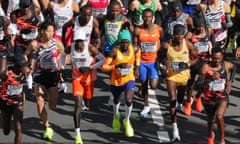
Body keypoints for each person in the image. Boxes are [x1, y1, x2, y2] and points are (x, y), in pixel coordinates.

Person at [31, 20, 64, 140]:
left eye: (52, 31)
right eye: (49, 31)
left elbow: (63, 55)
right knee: (40, 104)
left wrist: (61, 68)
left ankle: (46, 116)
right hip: (39, 76)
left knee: (52, 106)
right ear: (42, 31)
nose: (51, 33)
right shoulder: (35, 44)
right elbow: (26, 54)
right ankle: (47, 127)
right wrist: (29, 64)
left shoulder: (57, 44)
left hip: (52, 76)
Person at [71, 29, 105, 144]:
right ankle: (78, 135)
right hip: (77, 79)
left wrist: (91, 68)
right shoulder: (71, 47)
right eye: (77, 41)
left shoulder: (90, 48)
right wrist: (60, 67)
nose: (79, 44)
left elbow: (103, 60)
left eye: (81, 41)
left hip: (88, 80)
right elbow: (62, 55)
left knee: (88, 102)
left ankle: (87, 102)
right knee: (77, 106)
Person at [102, 29, 137, 137]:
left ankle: (127, 121)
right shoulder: (114, 51)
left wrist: (137, 67)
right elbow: (104, 67)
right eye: (123, 42)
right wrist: (115, 66)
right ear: (119, 42)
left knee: (129, 100)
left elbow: (138, 52)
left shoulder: (132, 49)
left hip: (129, 78)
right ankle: (115, 117)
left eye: (127, 42)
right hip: (116, 81)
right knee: (116, 100)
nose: (125, 44)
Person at [165, 24, 197, 142]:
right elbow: (160, 56)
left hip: (184, 76)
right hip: (171, 76)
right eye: (177, 34)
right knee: (172, 99)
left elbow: (197, 57)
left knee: (179, 98)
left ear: (183, 35)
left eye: (181, 34)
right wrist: (163, 66)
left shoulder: (187, 44)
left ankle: (180, 103)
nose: (179, 37)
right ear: (173, 34)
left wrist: (189, 64)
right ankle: (175, 129)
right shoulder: (167, 45)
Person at [199, 47, 236, 144]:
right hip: (209, 98)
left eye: (219, 58)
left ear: (222, 57)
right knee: (211, 121)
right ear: (211, 57)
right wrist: (211, 78)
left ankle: (222, 140)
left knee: (219, 116)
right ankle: (211, 135)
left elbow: (235, 67)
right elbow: (199, 84)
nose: (216, 60)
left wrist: (230, 81)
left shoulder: (226, 65)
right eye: (214, 58)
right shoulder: (206, 67)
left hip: (222, 97)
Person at [133, 8, 162, 117]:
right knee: (145, 84)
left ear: (152, 17)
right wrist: (136, 65)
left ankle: (144, 89)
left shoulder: (158, 29)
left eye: (149, 17)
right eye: (145, 17)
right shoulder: (138, 30)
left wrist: (161, 59)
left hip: (153, 61)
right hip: (142, 62)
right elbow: (135, 46)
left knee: (153, 85)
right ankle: (146, 105)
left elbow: (161, 44)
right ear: (142, 18)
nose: (147, 19)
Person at [184, 13, 213, 115]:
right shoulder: (190, 34)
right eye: (197, 27)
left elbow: (213, 44)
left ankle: (197, 97)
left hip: (204, 61)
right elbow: (183, 45)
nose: (200, 29)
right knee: (190, 84)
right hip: (192, 62)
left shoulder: (208, 31)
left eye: (201, 26)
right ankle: (188, 102)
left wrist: (211, 49)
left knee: (202, 83)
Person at [0, 56, 28, 144]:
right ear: (18, 67)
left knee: (18, 128)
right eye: (24, 66)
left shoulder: (25, 72)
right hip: (5, 103)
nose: (26, 68)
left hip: (18, 102)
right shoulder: (6, 73)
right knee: (6, 131)